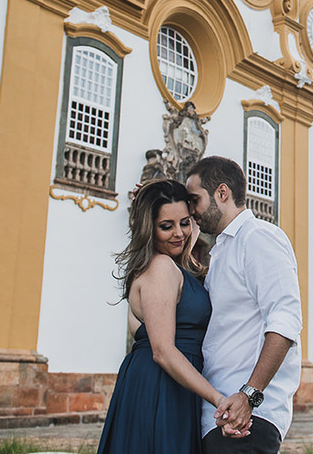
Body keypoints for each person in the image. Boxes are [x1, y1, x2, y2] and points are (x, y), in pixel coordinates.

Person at [97, 179, 246, 454]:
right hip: (161, 383)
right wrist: (218, 399)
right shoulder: (161, 267)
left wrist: (163, 186)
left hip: (175, 382)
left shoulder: (175, 266)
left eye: (185, 222)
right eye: (166, 226)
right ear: (149, 228)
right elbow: (163, 351)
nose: (179, 233)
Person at [185, 156, 303, 454]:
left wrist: (249, 395)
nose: (191, 210)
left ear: (222, 193)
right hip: (222, 410)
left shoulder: (258, 237)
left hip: (249, 417)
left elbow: (285, 321)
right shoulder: (222, 249)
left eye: (194, 200)